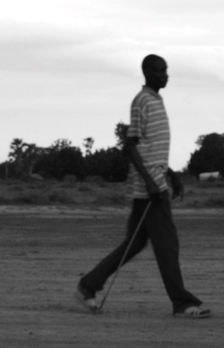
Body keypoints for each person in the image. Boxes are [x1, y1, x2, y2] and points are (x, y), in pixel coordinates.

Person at [75, 54, 209, 317]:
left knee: (134, 243)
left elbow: (152, 149)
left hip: (155, 182)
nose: (166, 74)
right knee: (167, 244)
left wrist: (171, 174)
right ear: (147, 72)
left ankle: (88, 286)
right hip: (149, 187)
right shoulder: (141, 102)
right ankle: (182, 303)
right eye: (160, 71)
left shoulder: (157, 101)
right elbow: (131, 146)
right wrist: (151, 182)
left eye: (166, 70)